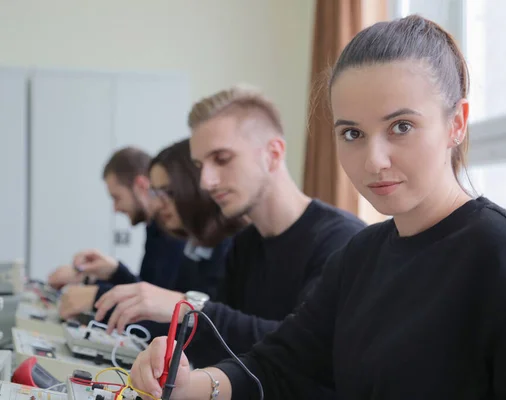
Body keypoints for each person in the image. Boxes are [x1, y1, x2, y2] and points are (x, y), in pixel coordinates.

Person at [130, 15, 506, 400]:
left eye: (401, 126)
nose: (374, 160)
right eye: (352, 133)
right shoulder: (360, 257)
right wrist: (188, 385)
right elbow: (278, 364)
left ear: (456, 123)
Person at [95, 84, 366, 379]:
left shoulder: (341, 241)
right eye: (200, 165)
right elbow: (225, 348)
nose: (206, 182)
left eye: (222, 160)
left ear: (273, 154)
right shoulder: (246, 244)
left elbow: (306, 348)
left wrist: (188, 309)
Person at [91, 138, 246, 332]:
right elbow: (157, 304)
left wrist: (97, 297)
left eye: (165, 192)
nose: (156, 204)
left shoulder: (230, 243)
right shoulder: (189, 240)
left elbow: (179, 318)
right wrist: (114, 273)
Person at [49, 147, 186, 319]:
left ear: (141, 185)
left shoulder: (176, 233)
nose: (115, 208)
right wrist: (112, 272)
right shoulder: (155, 230)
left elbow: (163, 313)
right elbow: (146, 290)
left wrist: (95, 295)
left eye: (117, 197)